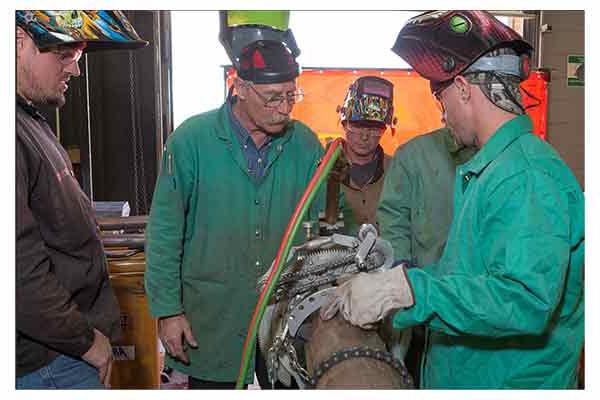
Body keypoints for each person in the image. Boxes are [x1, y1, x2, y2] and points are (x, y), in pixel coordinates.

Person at [322, 10, 584, 388]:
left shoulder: (526, 176)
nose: (442, 114)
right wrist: (402, 281)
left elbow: (524, 301)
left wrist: (410, 292)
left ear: (462, 88)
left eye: (439, 96)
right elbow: (473, 279)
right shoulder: (494, 168)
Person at [144, 39, 324, 389]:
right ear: (239, 87)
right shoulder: (190, 142)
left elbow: (328, 228)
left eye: (291, 95)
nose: (284, 108)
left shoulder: (304, 145)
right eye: (273, 97)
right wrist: (168, 311)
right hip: (211, 321)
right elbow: (165, 233)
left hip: (284, 322)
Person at [16, 10, 147, 389]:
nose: (74, 69)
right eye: (65, 54)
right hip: (49, 362)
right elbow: (18, 271)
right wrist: (86, 342)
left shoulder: (27, 119)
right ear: (18, 40)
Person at [377, 126, 477, 385]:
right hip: (421, 309)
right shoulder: (414, 156)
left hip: (475, 312)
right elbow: (393, 216)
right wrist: (402, 276)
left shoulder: (513, 167)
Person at [333, 76, 395, 236]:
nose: (365, 136)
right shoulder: (322, 170)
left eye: (374, 129)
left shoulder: (397, 171)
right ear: (344, 124)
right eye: (358, 126)